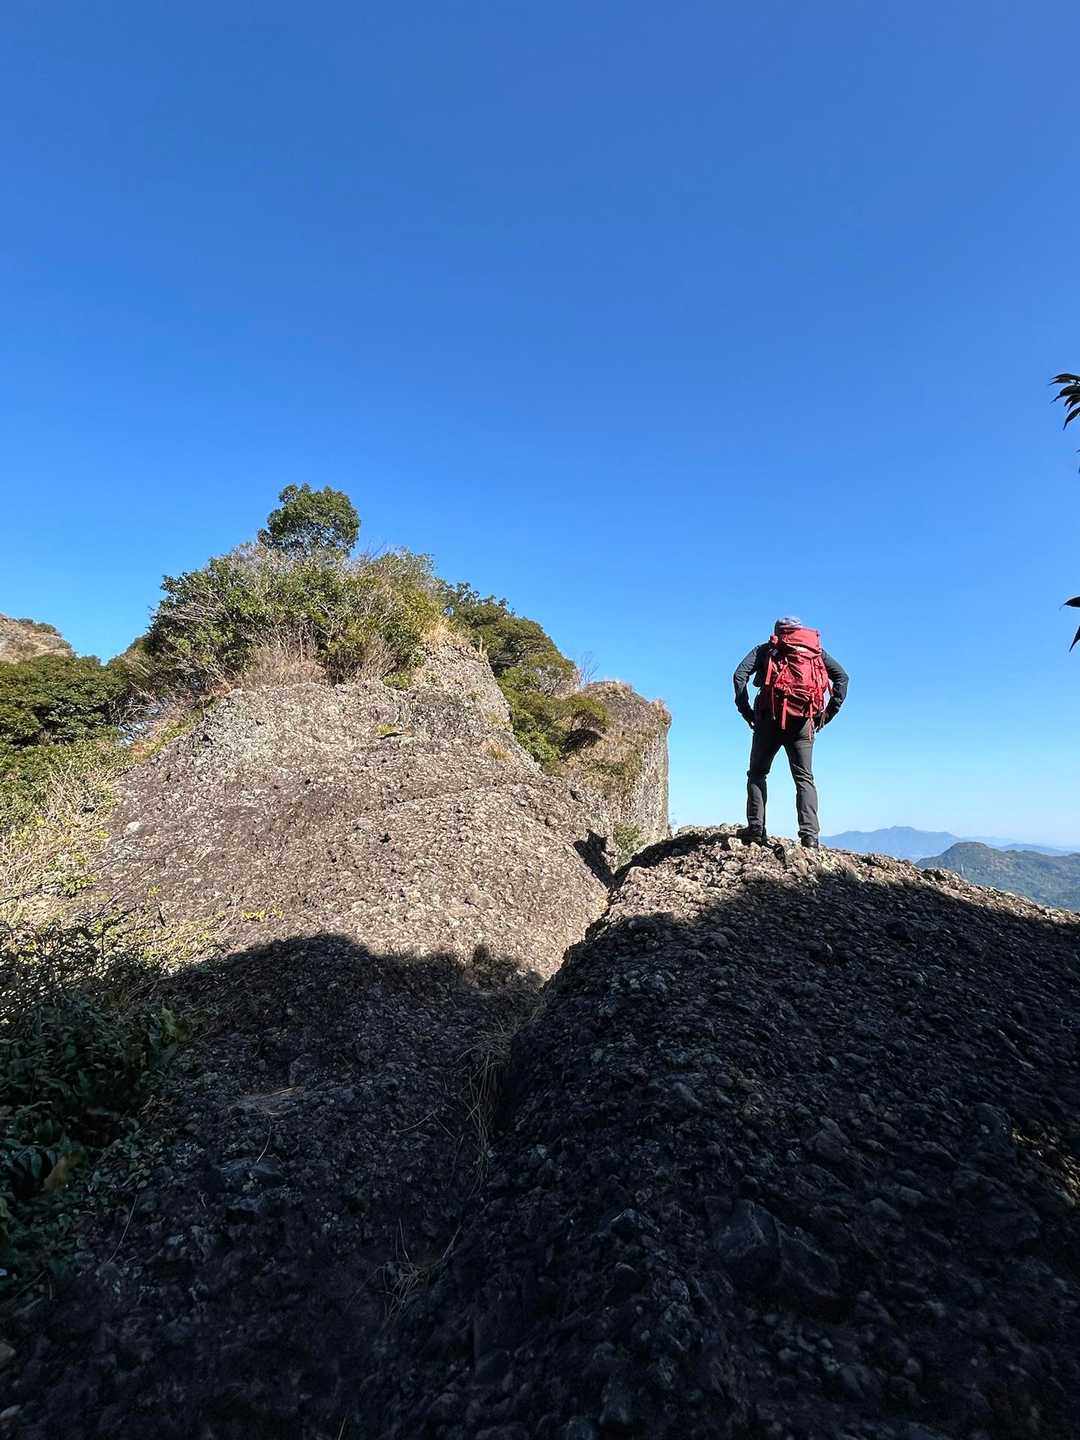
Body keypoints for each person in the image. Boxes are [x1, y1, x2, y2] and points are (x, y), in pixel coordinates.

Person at [732, 617, 848, 848]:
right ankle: (810, 836)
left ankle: (756, 829)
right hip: (803, 723)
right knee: (804, 778)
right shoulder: (815, 653)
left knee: (757, 773)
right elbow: (842, 678)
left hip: (768, 720)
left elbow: (739, 676)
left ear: (777, 632)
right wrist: (825, 715)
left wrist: (747, 711)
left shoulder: (765, 649)